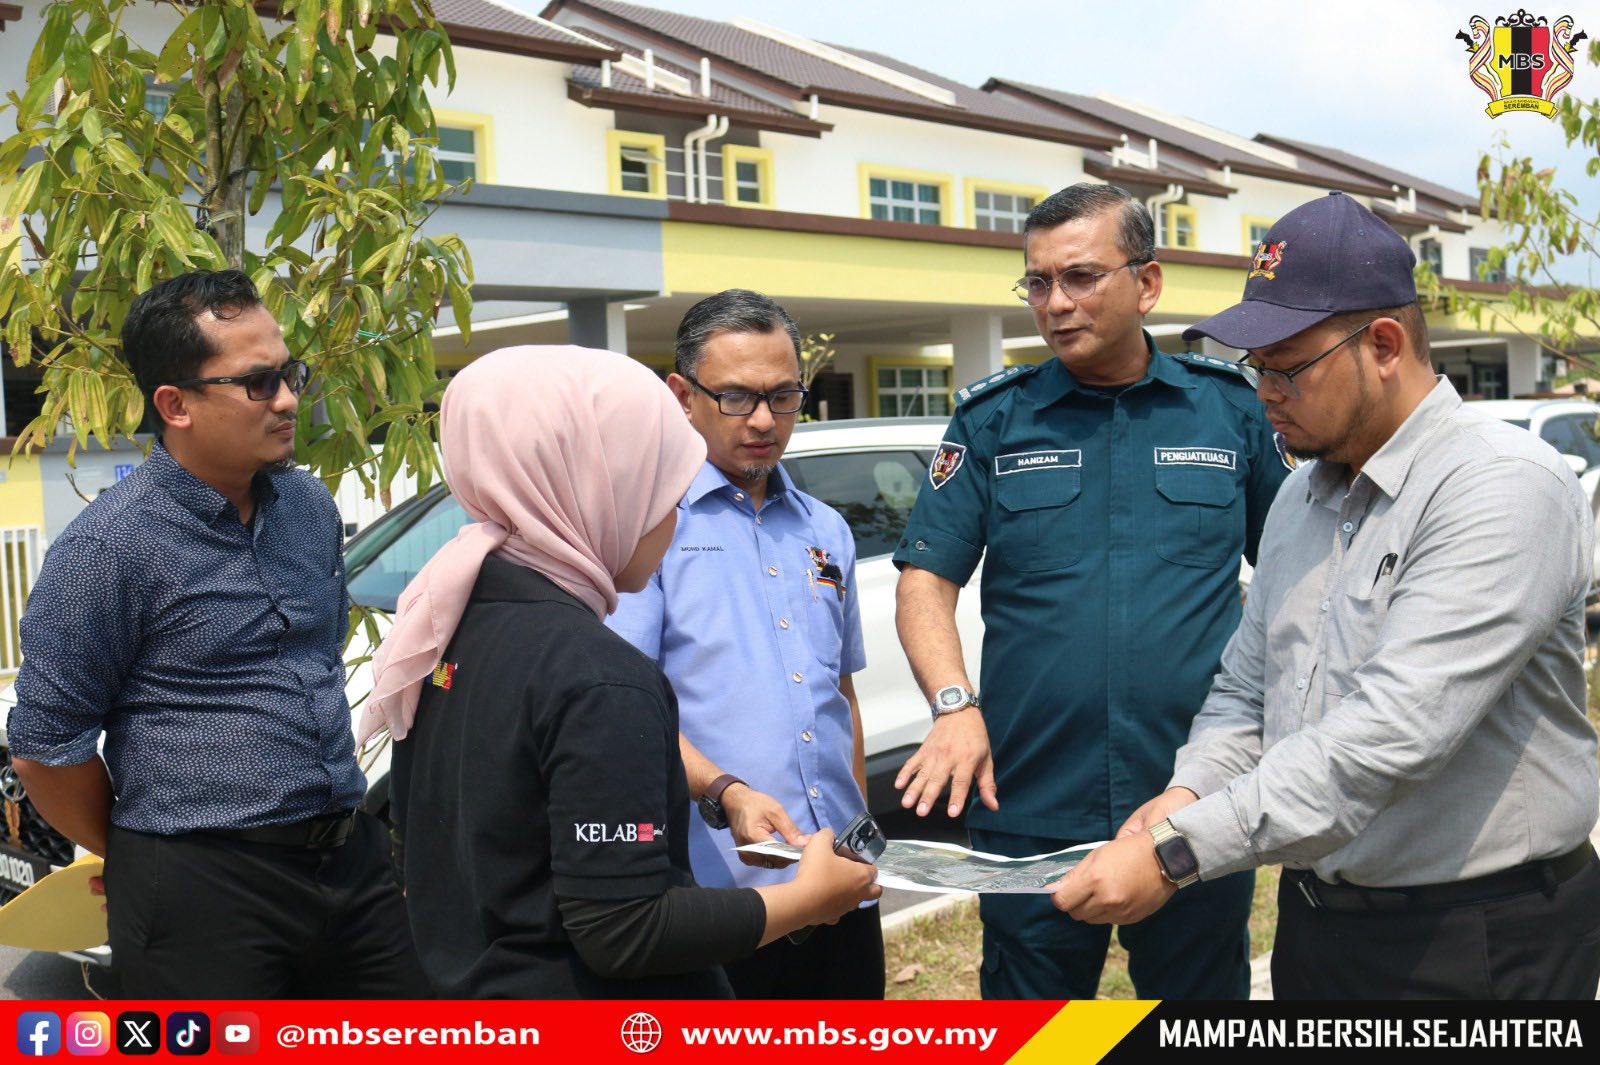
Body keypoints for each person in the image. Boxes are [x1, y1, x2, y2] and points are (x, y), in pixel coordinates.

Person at [1052, 191, 1600, 1000]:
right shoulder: (1303, 497)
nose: (1264, 390)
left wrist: (1177, 851)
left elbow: (1391, 732)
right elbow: (1246, 689)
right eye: (1256, 366)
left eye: (1286, 365)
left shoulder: (1499, 486)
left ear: (1382, 344)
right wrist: (1184, 791)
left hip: (1476, 938)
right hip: (1321, 924)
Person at [366, 344, 880, 999]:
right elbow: (626, 925)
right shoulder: (599, 676)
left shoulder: (444, 622)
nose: (672, 519)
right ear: (597, 491)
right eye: (658, 492)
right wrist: (807, 899)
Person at [892, 183, 1289, 1000]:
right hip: (1030, 803)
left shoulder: (1229, 414)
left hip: (1194, 796)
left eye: (1079, 277)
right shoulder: (993, 421)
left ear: (1146, 284)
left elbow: (1296, 573)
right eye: (1038, 282)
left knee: (1197, 1016)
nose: (1055, 303)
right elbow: (926, 578)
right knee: (1033, 1036)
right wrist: (953, 703)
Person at [8, 270, 427, 997]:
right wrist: (140, 851)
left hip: (349, 863)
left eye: (290, 372)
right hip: (201, 888)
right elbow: (46, 748)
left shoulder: (306, 506)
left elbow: (317, 659)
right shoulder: (108, 550)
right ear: (175, 404)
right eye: (258, 382)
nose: (290, 398)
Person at [607, 290, 883, 999]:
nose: (763, 420)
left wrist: (855, 836)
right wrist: (723, 791)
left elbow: (838, 697)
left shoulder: (827, 527)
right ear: (682, 395)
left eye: (783, 395)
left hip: (842, 885)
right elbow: (628, 707)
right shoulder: (645, 529)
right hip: (724, 897)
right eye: (736, 397)